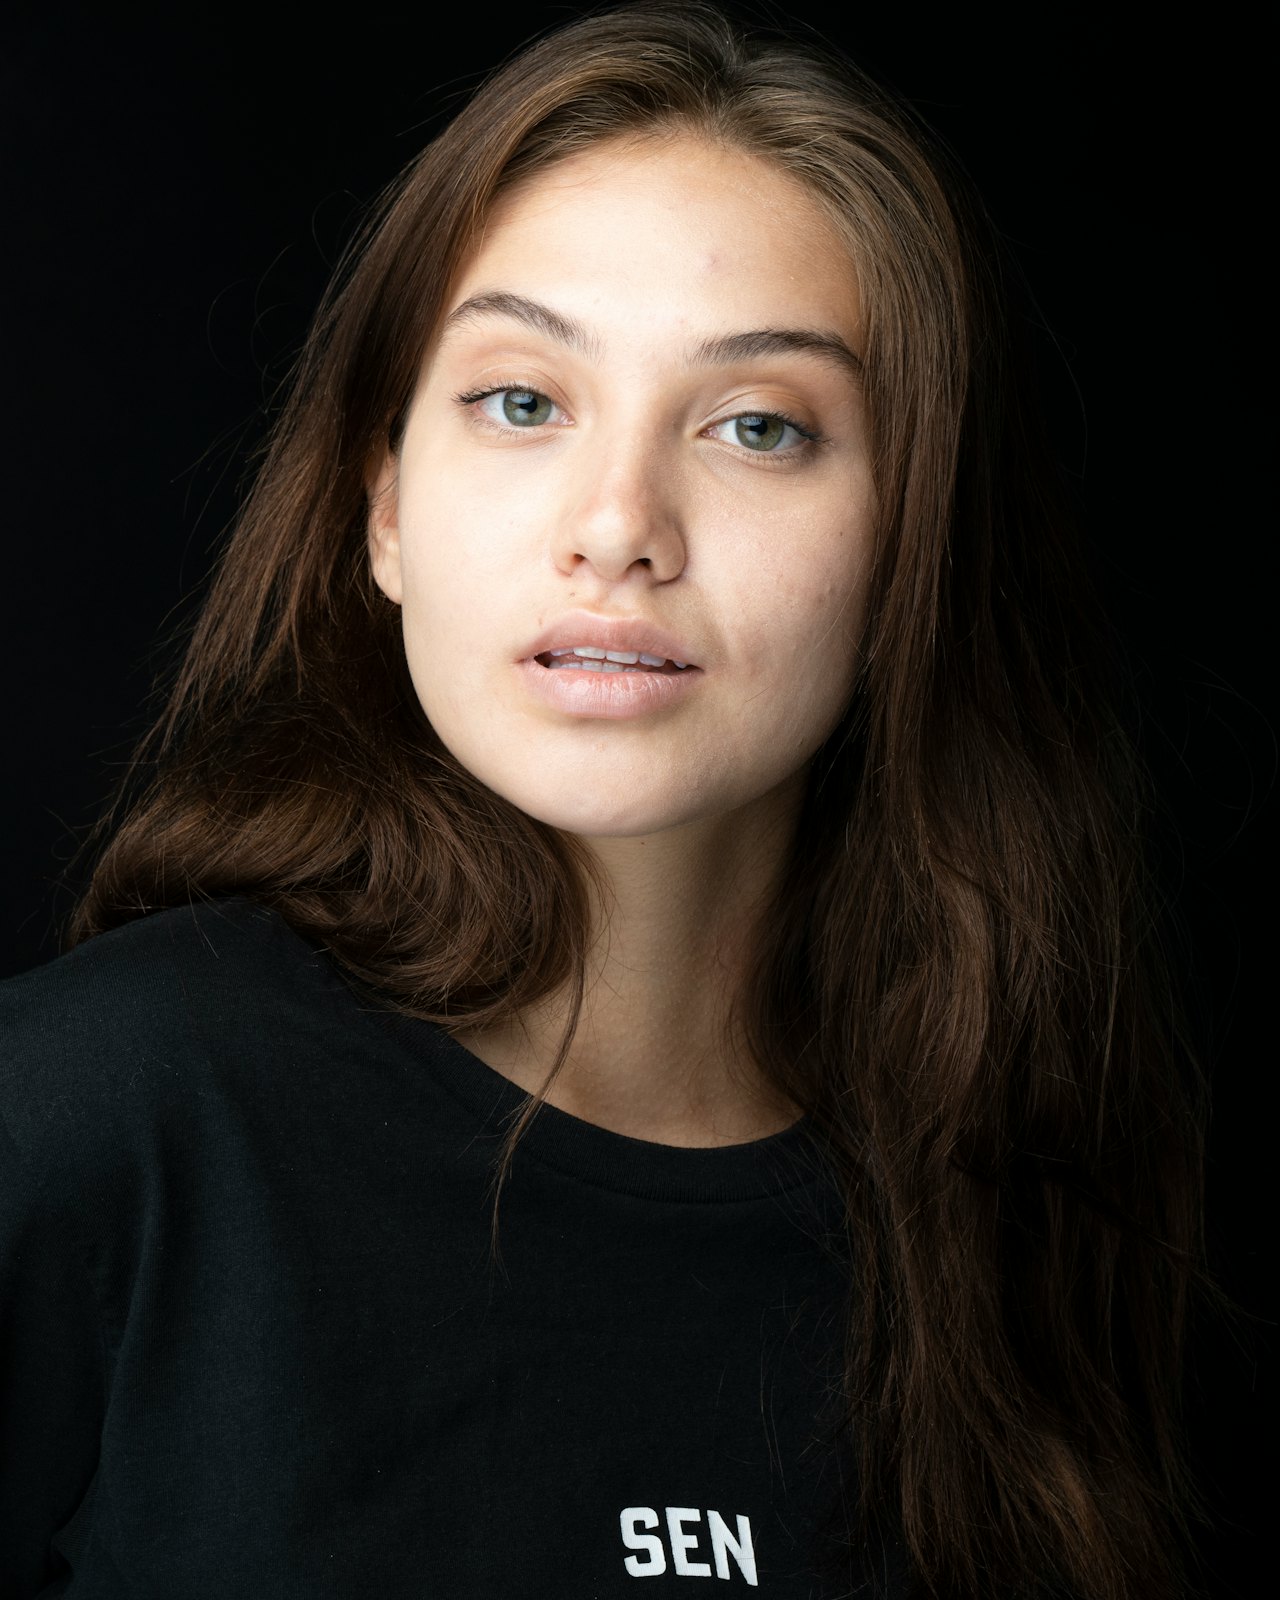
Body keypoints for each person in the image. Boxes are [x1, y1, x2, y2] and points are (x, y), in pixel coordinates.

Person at [0, 4, 1204, 1596]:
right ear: (383, 508)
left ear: (917, 551)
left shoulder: (1029, 1205)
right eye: (523, 401)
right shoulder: (94, 1115)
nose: (619, 524)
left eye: (758, 426)